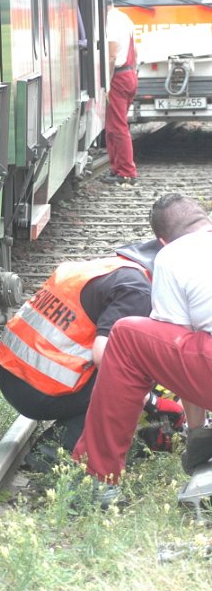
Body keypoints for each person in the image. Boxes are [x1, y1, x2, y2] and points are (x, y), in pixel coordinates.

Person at [73, 194, 212, 502]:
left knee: (126, 338)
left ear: (162, 240)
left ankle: (99, 478)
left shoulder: (172, 255)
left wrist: (197, 431)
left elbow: (178, 350)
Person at [0, 239, 161, 458]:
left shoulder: (109, 267)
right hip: (38, 389)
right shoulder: (138, 289)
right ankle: (52, 452)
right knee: (131, 383)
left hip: (9, 373)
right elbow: (107, 359)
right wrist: (152, 401)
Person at [101, 0, 138, 186]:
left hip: (118, 76)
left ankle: (126, 171)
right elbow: (136, 50)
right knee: (113, 125)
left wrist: (106, 82)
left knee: (118, 126)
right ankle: (117, 168)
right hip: (130, 73)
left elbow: (112, 56)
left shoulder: (111, 22)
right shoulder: (125, 18)